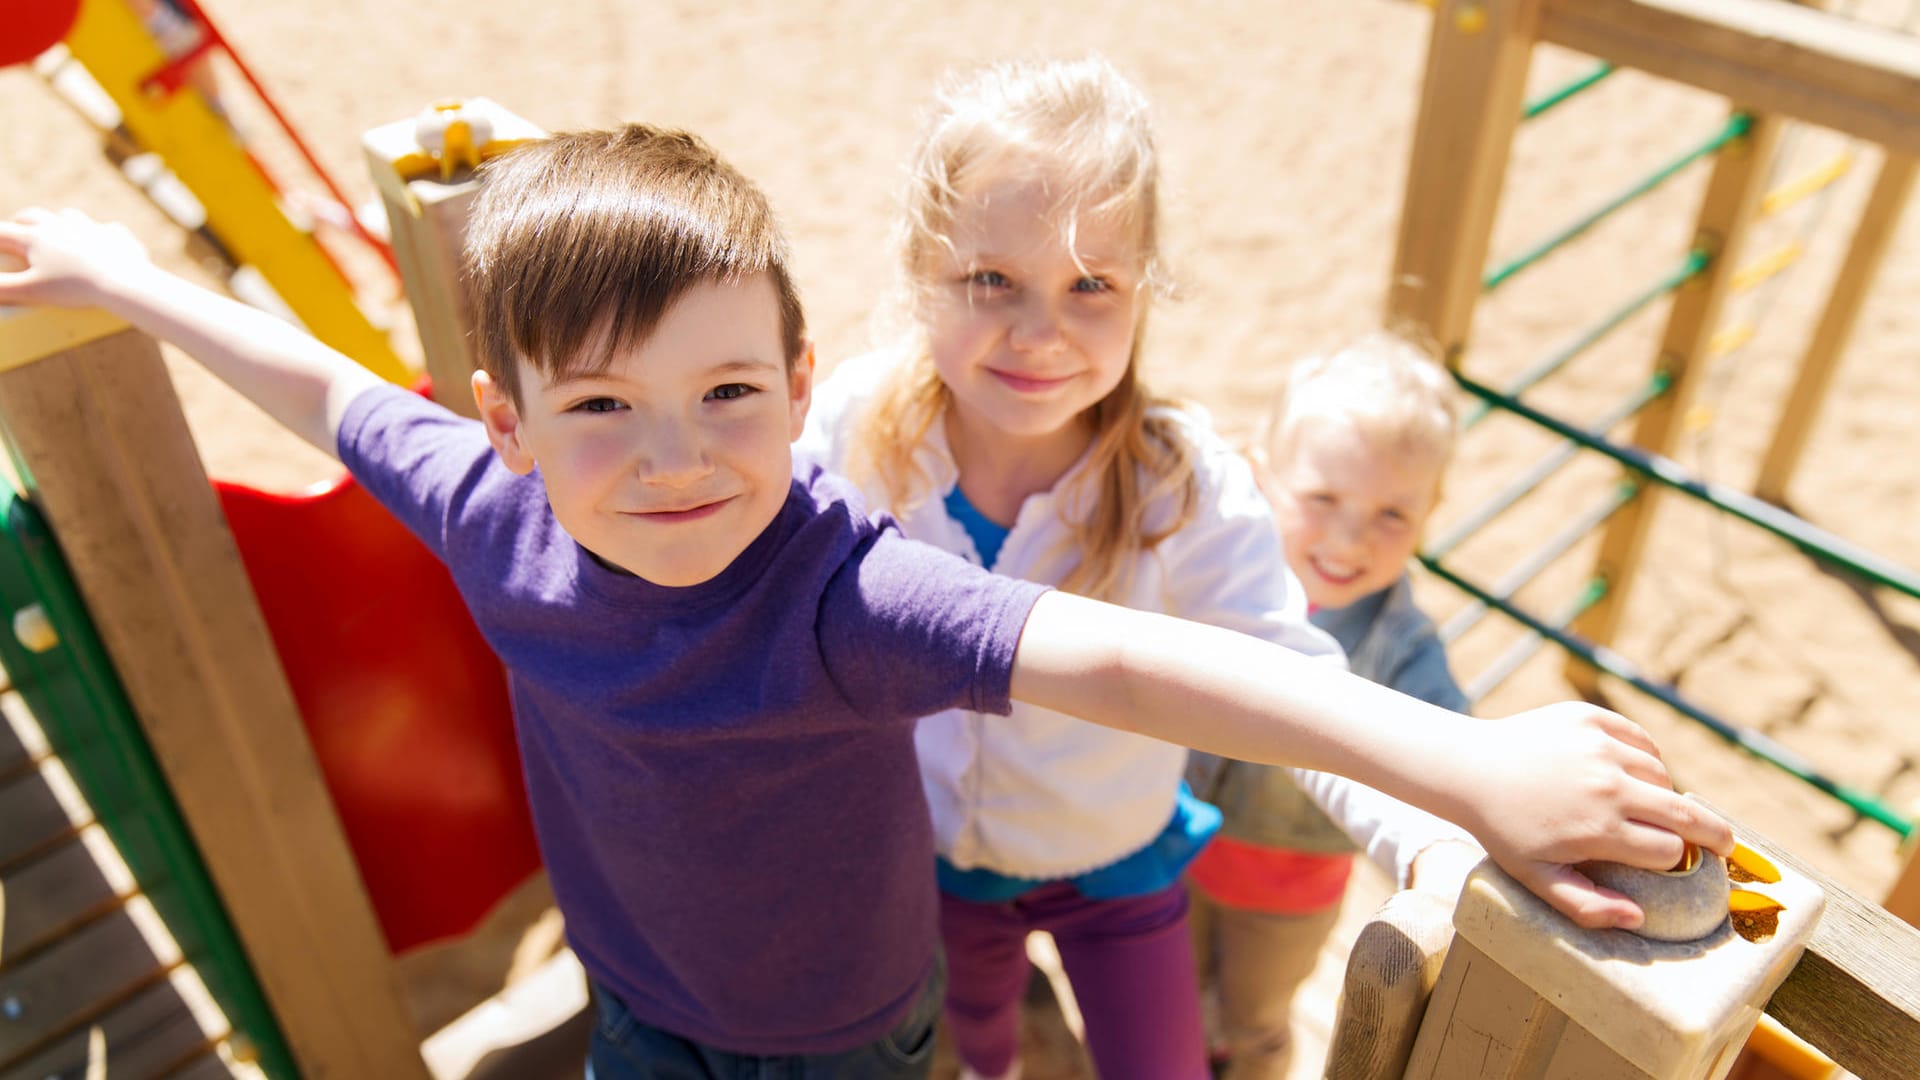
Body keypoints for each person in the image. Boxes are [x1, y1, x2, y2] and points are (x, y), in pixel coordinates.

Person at [0, 125, 1726, 1079]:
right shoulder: (483, 513)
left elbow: (1137, 659)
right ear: (508, 429)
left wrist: (1461, 766)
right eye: (603, 408)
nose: (676, 459)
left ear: (802, 376)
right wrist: (129, 281)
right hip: (639, 1005)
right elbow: (321, 387)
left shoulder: (843, 598)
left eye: (730, 396)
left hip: (845, 1040)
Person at [796, 57, 1496, 1080]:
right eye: (991, 279)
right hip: (931, 859)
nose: (1040, 334)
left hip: (1114, 861)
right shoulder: (855, 431)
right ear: (918, 271)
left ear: (1142, 293)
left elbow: (1290, 674)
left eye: (1091, 286)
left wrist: (1433, 831)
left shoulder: (1181, 486)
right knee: (974, 1041)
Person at [1185, 331, 1473, 1079]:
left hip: (1288, 892)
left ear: (1430, 511)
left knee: (1253, 1021)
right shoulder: (1221, 580)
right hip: (1173, 845)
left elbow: (1456, 748)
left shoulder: (1401, 647)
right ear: (1263, 475)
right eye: (1322, 498)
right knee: (1174, 995)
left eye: (1392, 516)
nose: (1350, 538)